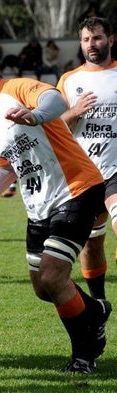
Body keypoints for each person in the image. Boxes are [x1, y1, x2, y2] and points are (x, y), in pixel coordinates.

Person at [0, 40, 111, 373]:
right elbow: (6, 169)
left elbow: (54, 99)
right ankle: (94, 311)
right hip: (39, 206)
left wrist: (34, 115)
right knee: (42, 288)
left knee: (53, 275)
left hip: (76, 189)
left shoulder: (16, 88)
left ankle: (84, 355)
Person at [57, 17, 116, 301]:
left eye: (97, 38)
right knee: (92, 245)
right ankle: (100, 303)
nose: (91, 45)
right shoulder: (69, 80)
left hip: (116, 171)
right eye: (86, 40)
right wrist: (74, 111)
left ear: (111, 40)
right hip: (85, 175)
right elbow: (54, 127)